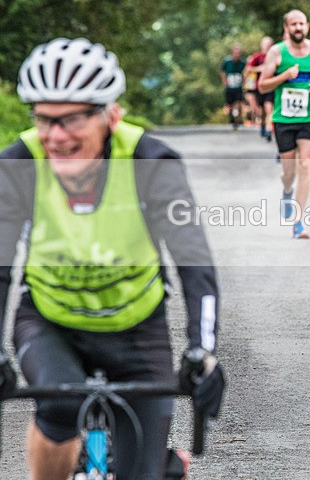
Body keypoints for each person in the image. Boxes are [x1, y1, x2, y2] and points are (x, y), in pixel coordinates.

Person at [0, 37, 226, 479]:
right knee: (62, 405)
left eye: (71, 120)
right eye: (44, 120)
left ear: (111, 115)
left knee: (140, 471)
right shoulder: (20, 162)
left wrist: (203, 351)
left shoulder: (151, 160)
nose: (56, 136)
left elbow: (194, 261)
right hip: (51, 322)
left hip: (137, 328)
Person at [259, 9, 310, 239]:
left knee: (305, 165)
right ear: (286, 28)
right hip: (284, 120)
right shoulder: (277, 52)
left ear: (308, 26)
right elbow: (262, 86)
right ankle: (286, 190)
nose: (298, 28)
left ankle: (299, 222)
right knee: (288, 172)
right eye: (293, 24)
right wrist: (284, 76)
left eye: (301, 24)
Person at [243, 36, 275, 141]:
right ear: (261, 45)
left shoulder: (275, 56)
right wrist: (259, 69)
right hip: (259, 87)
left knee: (269, 108)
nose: (267, 47)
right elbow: (247, 70)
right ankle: (262, 125)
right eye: (265, 44)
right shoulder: (257, 57)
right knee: (260, 111)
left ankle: (269, 129)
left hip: (271, 86)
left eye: (269, 44)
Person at [220, 43, 245, 130]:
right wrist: (224, 81)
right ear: (232, 53)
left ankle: (236, 121)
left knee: (238, 104)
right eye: (236, 53)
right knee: (230, 105)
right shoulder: (227, 62)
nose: (237, 55)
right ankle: (231, 115)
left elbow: (246, 73)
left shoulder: (243, 63)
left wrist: (245, 83)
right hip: (229, 88)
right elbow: (222, 71)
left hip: (238, 87)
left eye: (239, 53)